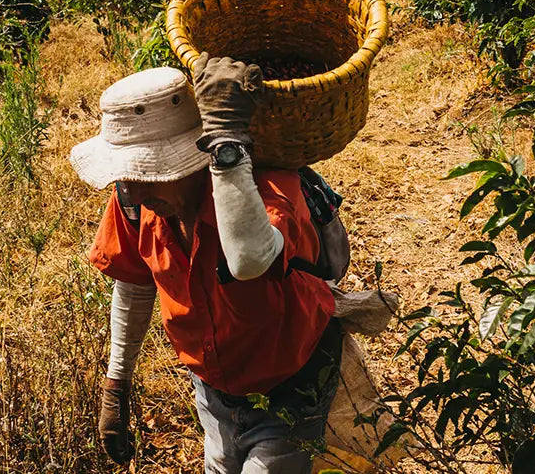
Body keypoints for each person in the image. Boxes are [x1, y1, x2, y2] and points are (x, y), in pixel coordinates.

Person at [69, 55, 342, 473]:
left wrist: (228, 148)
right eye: (129, 176)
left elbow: (248, 258)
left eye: (151, 173)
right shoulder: (135, 199)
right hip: (214, 391)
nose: (136, 191)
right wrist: (117, 383)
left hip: (292, 383)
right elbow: (136, 282)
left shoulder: (267, 190)